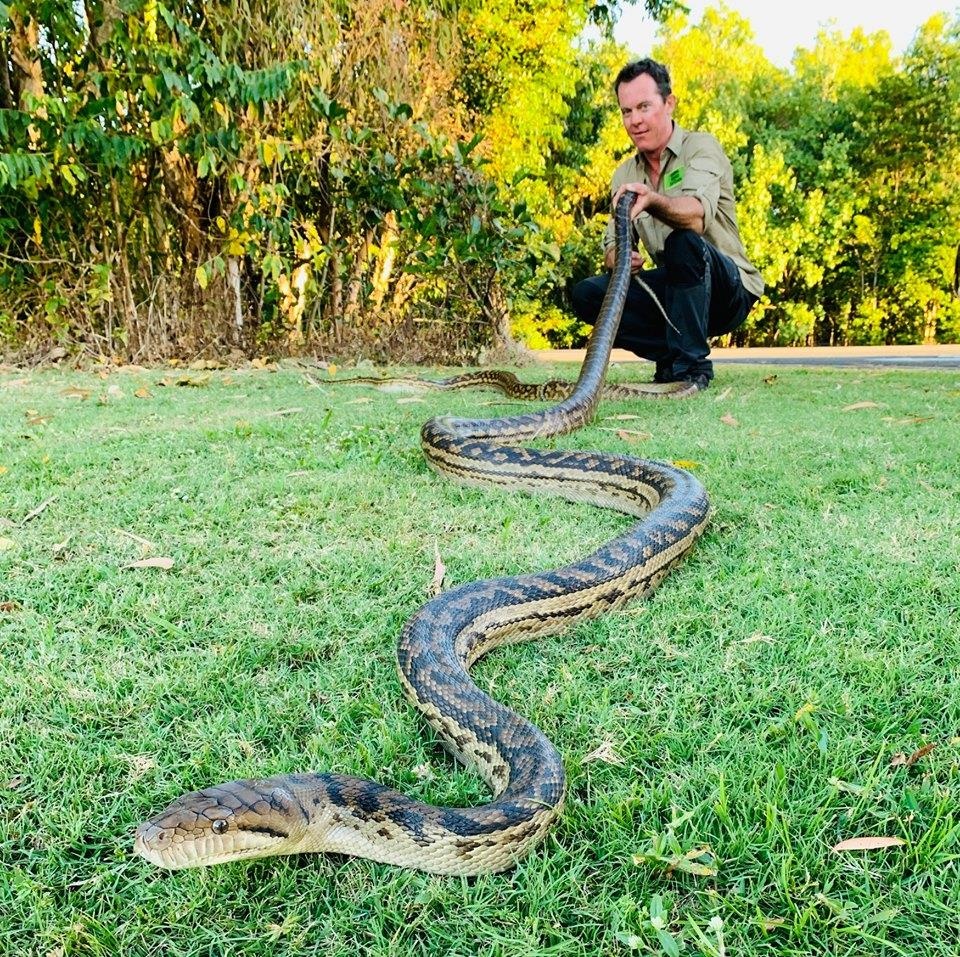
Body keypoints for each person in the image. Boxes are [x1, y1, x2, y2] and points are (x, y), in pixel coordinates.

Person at [570, 58, 764, 391]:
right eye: (626, 111)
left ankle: (690, 371)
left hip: (726, 289)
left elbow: (696, 217)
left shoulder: (701, 147)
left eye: (644, 107)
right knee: (587, 294)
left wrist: (653, 200)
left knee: (683, 243)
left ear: (669, 103)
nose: (635, 120)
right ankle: (672, 354)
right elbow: (611, 247)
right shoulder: (624, 174)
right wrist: (620, 258)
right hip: (675, 295)